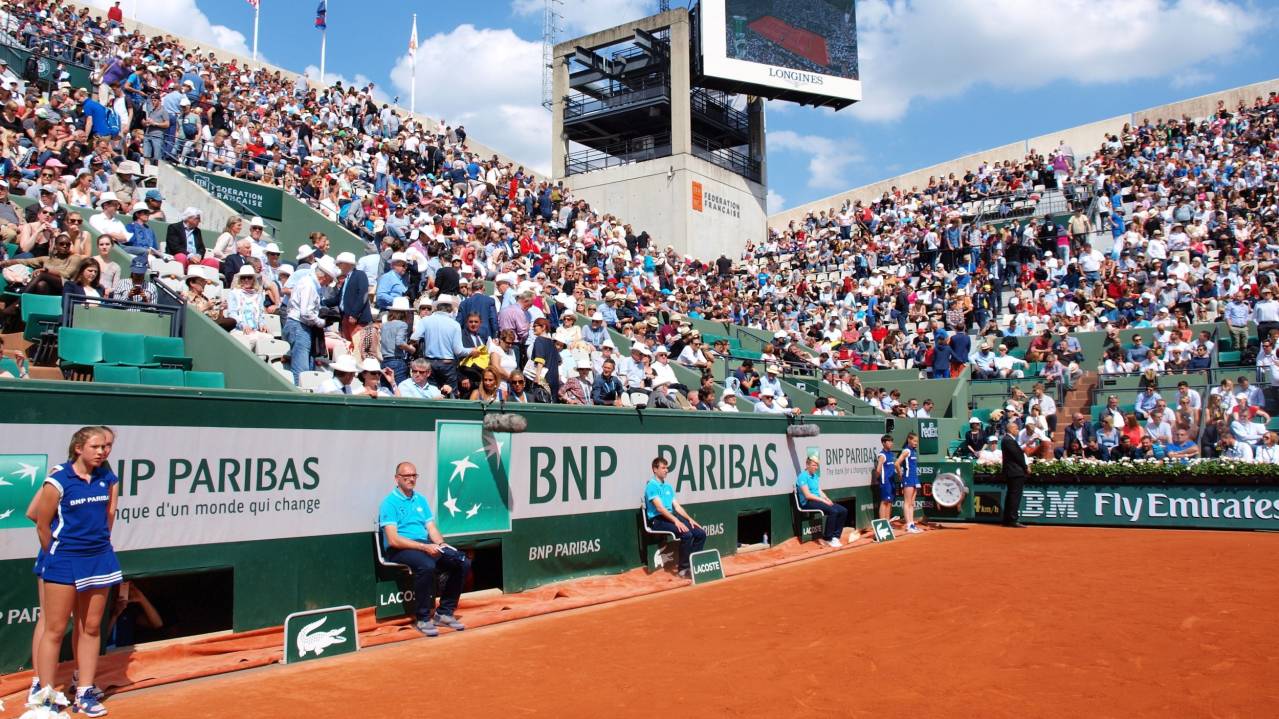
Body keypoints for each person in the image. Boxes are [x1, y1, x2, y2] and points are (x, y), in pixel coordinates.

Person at [30, 426, 120, 716]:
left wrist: (98, 546)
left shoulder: (107, 478)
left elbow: (108, 517)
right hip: (64, 561)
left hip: (99, 560)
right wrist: (58, 554)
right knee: (54, 629)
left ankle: (84, 692)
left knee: (91, 627)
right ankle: (45, 697)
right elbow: (41, 523)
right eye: (96, 447)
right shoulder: (58, 480)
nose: (102, 451)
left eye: (104, 447)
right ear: (78, 448)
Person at [378, 461, 470, 637]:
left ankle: (444, 613)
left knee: (462, 562)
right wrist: (424, 547)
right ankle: (423, 618)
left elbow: (431, 528)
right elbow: (393, 539)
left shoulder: (420, 499)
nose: (411, 479)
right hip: (400, 549)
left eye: (414, 475)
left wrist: (441, 544)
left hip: (423, 545)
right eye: (406, 476)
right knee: (427, 565)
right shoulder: (389, 503)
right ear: (397, 478)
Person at [644, 456, 706, 578]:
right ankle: (683, 569)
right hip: (658, 520)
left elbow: (677, 507)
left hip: (671, 517)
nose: (666, 470)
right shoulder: (651, 486)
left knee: (701, 533)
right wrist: (676, 521)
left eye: (667, 468)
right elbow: (660, 508)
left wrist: (689, 519)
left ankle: (693, 565)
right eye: (663, 468)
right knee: (687, 534)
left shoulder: (668, 487)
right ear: (655, 469)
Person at [795, 455, 848, 547]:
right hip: (807, 502)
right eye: (813, 465)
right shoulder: (802, 477)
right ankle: (828, 538)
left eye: (817, 465)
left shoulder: (815, 476)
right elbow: (808, 495)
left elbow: (819, 491)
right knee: (833, 511)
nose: (816, 467)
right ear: (807, 465)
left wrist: (827, 498)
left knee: (843, 510)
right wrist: (823, 501)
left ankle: (835, 538)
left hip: (818, 500)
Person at [1000, 420, 1030, 528]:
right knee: (1014, 496)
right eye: (1016, 428)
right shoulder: (1008, 440)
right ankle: (1012, 519)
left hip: (1013, 472)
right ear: (1011, 429)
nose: (1018, 430)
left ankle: (1008, 519)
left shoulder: (1008, 440)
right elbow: (1018, 456)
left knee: (1011, 496)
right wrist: (1026, 467)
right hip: (1015, 472)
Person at [893, 432, 923, 534]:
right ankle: (909, 525)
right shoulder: (906, 451)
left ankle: (912, 524)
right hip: (908, 478)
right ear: (909, 440)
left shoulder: (914, 451)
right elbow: (897, 463)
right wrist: (900, 474)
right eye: (914, 441)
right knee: (907, 502)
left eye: (917, 442)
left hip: (914, 478)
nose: (916, 443)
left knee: (912, 503)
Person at [873, 434, 896, 522]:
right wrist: (879, 479)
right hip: (885, 482)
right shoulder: (882, 455)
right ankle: (883, 523)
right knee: (884, 502)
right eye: (888, 441)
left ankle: (887, 522)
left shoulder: (891, 454)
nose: (891, 443)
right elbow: (878, 470)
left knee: (889, 502)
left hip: (891, 482)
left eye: (891, 441)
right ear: (883, 443)